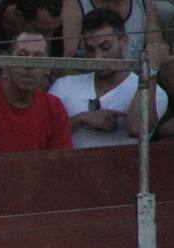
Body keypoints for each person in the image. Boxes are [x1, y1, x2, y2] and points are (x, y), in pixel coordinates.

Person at [50, 8, 168, 147]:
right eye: (90, 49)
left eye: (105, 47)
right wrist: (81, 119)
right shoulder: (64, 86)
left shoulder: (155, 93)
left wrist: (150, 73)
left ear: (124, 41)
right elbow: (44, 135)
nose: (97, 57)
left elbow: (137, 128)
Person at [0, 31, 72, 152]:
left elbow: (60, 161)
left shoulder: (54, 108)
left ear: (48, 67)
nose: (29, 66)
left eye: (38, 58)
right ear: (6, 62)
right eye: (22, 56)